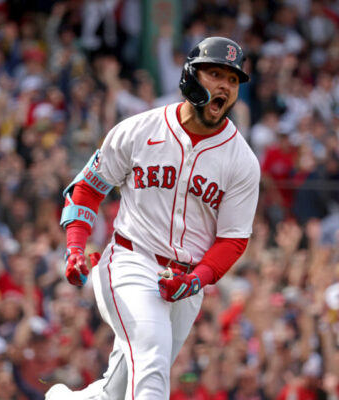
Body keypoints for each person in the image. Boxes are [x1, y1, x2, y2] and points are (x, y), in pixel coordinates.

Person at [45, 36, 260, 400]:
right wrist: (75, 246)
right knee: (152, 364)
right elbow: (87, 187)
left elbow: (233, 239)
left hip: (185, 284)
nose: (225, 85)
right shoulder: (140, 129)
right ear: (191, 76)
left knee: (118, 389)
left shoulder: (241, 161)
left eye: (233, 79)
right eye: (215, 73)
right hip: (131, 260)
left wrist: (196, 280)